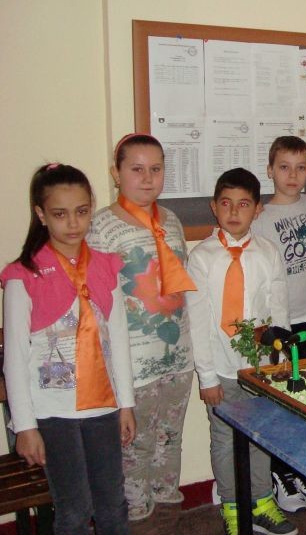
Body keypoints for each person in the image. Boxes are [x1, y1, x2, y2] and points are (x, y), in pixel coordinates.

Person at [1, 163, 135, 534]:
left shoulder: (105, 266)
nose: (73, 223)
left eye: (82, 211)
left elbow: (118, 339)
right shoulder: (23, 275)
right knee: (74, 509)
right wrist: (25, 426)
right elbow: (15, 357)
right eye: (60, 214)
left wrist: (126, 404)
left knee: (113, 504)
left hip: (103, 405)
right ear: (41, 214)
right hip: (52, 411)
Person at [87, 133, 195, 524]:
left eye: (155, 169)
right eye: (136, 169)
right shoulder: (101, 228)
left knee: (169, 445)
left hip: (177, 358)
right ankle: (136, 519)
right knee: (134, 451)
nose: (147, 178)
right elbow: (96, 305)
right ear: (116, 174)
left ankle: (167, 516)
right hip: (131, 367)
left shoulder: (172, 221)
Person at [186, 168, 298, 535]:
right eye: (226, 203)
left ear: (257, 209)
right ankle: (233, 507)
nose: (234, 212)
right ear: (214, 207)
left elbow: (279, 311)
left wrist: (281, 362)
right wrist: (206, 377)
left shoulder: (268, 253)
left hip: (261, 369)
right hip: (220, 368)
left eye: (244, 204)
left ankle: (262, 502)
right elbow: (198, 321)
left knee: (261, 436)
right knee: (223, 439)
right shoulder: (201, 258)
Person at [250, 135, 306, 512]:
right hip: (282, 326)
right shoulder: (260, 218)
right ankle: (279, 474)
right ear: (270, 171)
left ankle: (301, 470)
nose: (292, 175)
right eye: (284, 167)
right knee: (282, 404)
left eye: (300, 168)